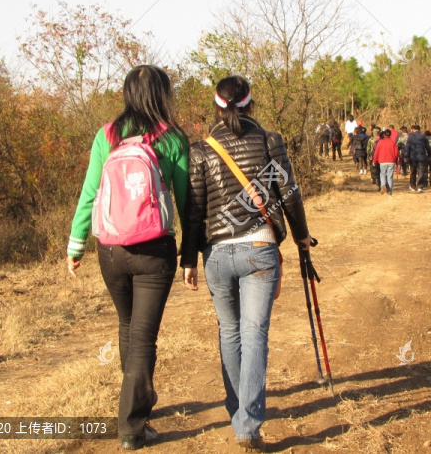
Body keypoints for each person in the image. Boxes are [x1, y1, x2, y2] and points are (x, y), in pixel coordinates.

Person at [180, 75, 312, 453]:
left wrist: (189, 258)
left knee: (230, 332)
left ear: (216, 106)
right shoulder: (270, 140)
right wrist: (302, 235)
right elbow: (287, 191)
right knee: (254, 335)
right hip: (260, 247)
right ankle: (248, 425)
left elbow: (194, 210)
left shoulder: (201, 149)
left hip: (217, 254)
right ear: (250, 103)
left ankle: (238, 410)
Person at [65, 65, 189, 451]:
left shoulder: (106, 134)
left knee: (127, 325)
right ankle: (133, 426)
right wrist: (192, 253)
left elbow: (90, 193)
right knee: (143, 337)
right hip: (155, 250)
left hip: (111, 249)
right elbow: (187, 200)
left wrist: (75, 244)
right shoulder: (172, 139)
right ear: (162, 95)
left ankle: (136, 401)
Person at [406, 124, 431, 192]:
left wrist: (405, 156)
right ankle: (420, 186)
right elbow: (427, 147)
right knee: (421, 172)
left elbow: (407, 147)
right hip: (422, 157)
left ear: (412, 129)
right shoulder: (423, 137)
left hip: (413, 157)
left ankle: (412, 186)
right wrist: (429, 154)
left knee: (413, 172)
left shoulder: (410, 137)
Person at [373, 128, 399, 195]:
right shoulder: (393, 142)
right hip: (391, 161)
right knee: (390, 176)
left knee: (382, 174)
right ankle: (390, 191)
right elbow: (396, 152)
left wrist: (374, 160)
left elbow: (376, 152)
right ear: (390, 135)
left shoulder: (380, 142)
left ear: (384, 134)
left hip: (382, 161)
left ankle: (383, 185)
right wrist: (396, 160)